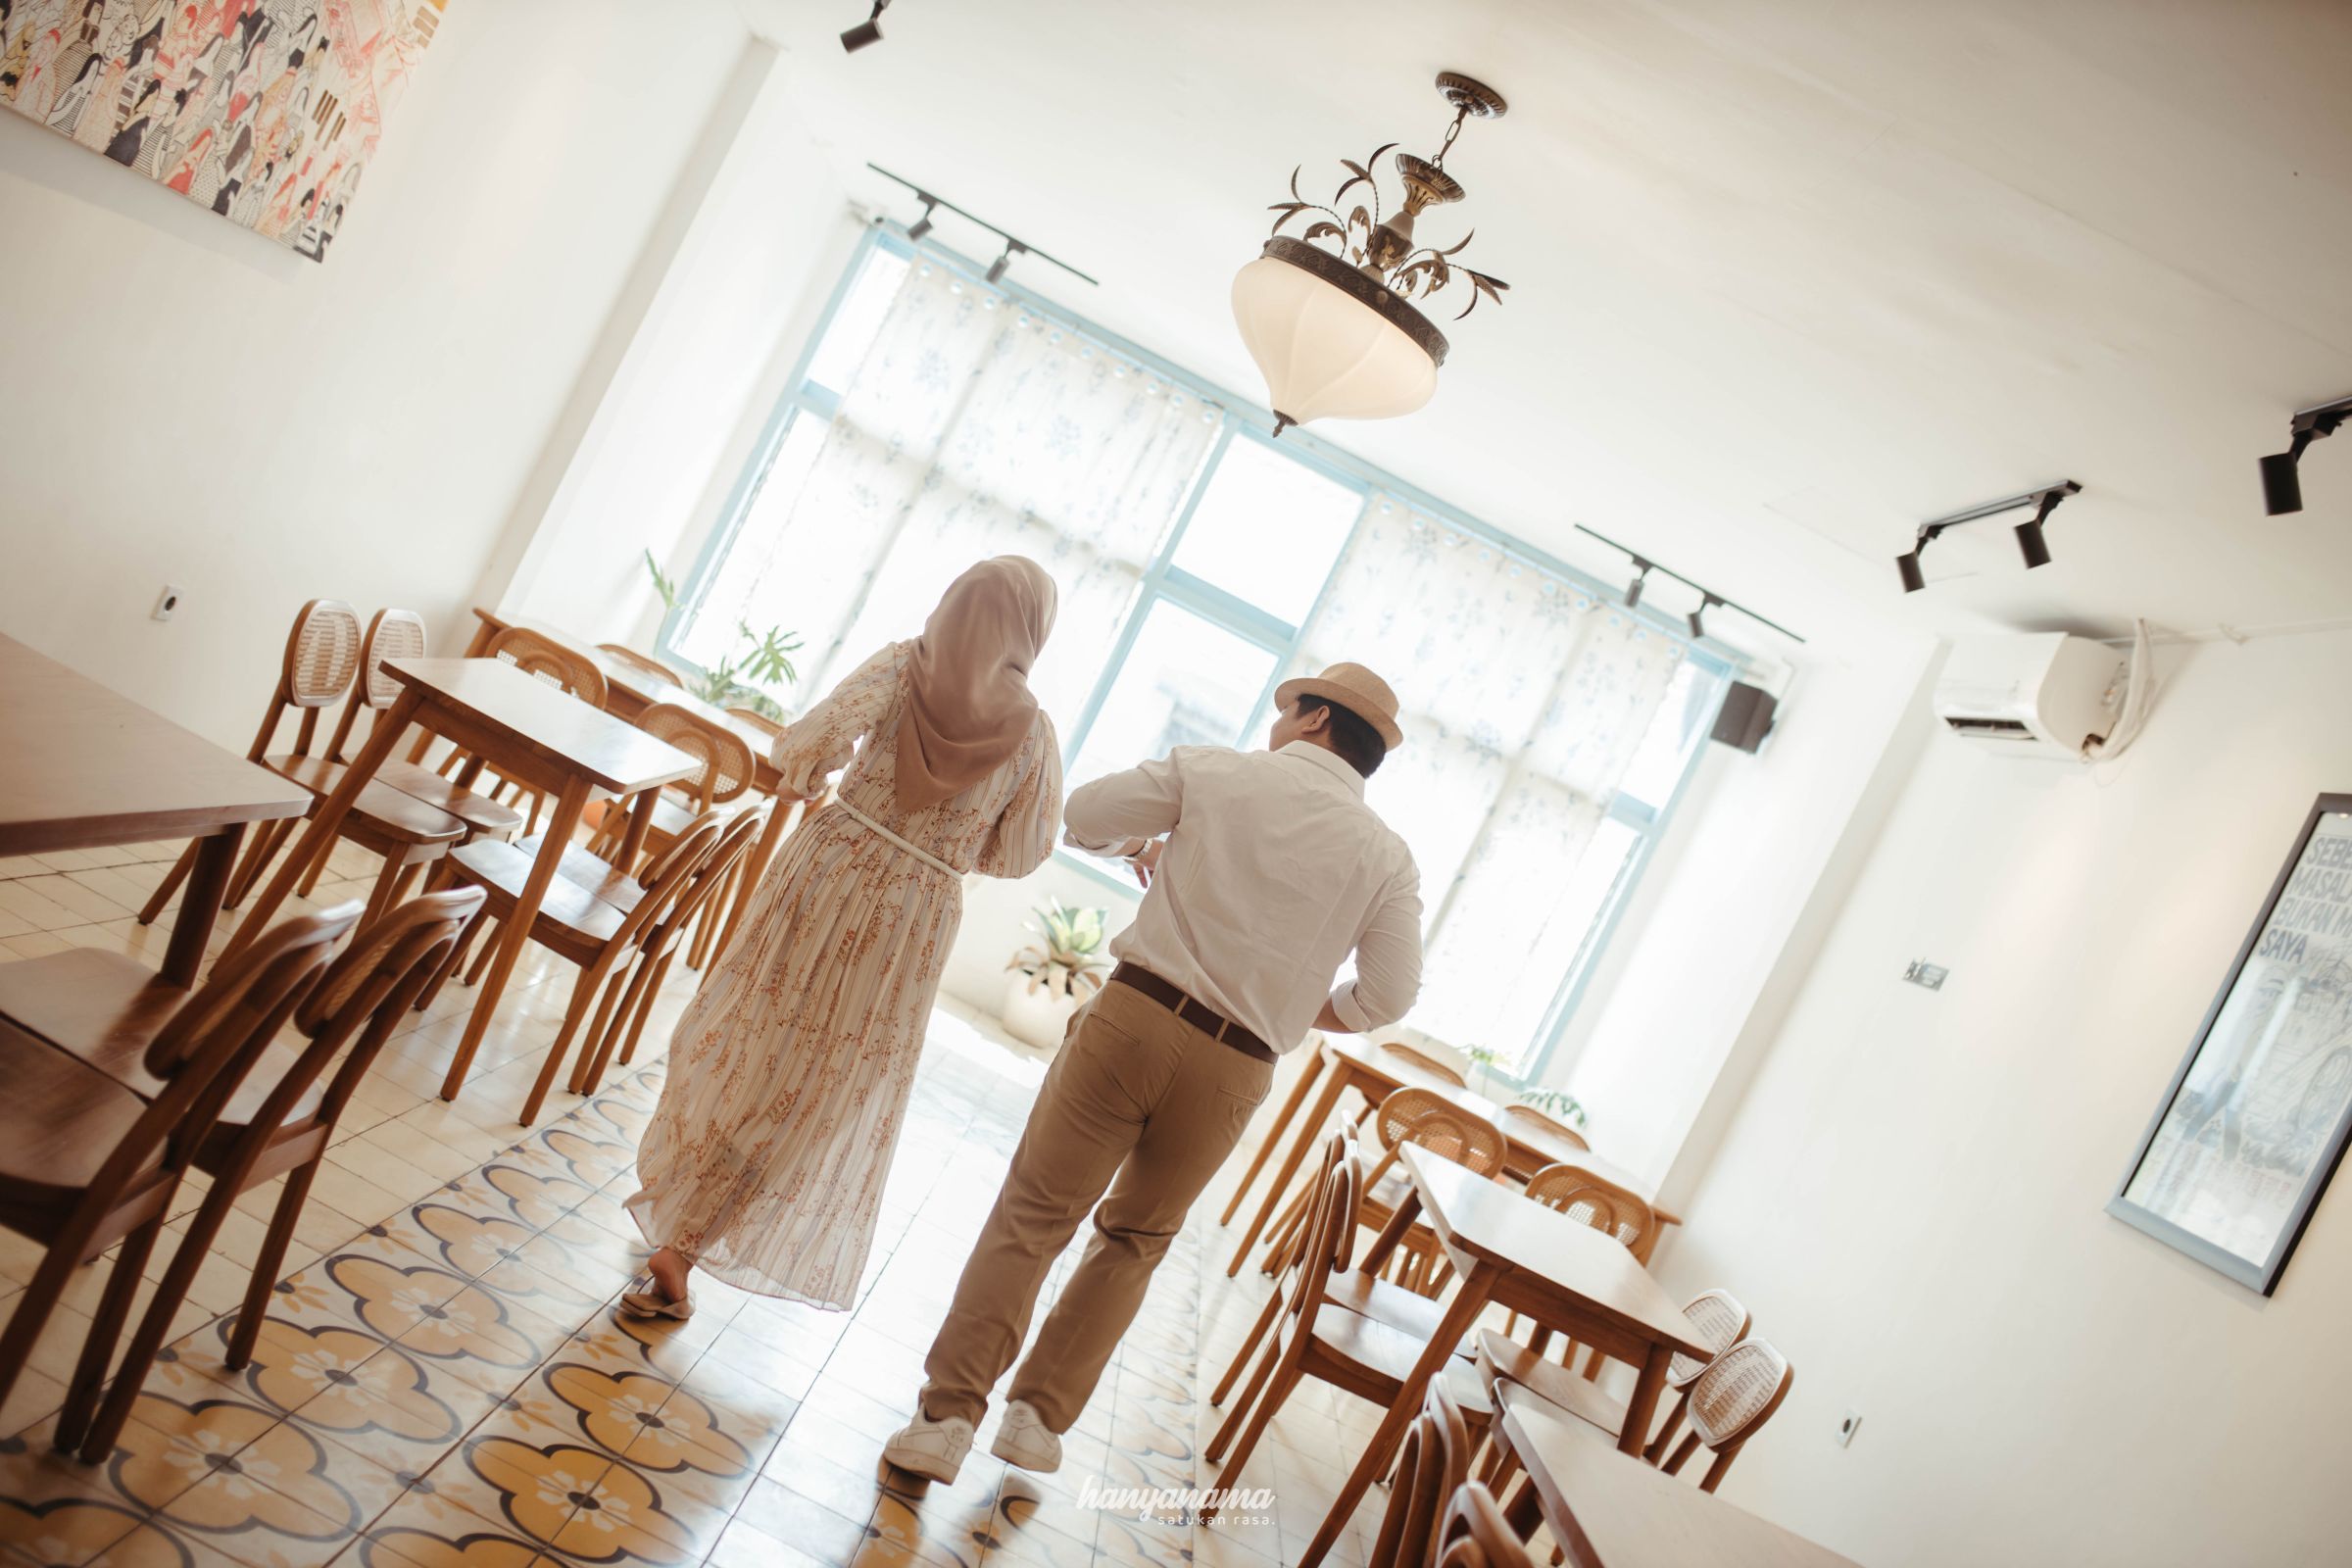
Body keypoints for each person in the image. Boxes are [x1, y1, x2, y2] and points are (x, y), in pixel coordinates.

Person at [885, 662, 1425, 1482]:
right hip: (1237, 1068)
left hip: (1135, 1019)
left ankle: (945, 1421)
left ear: (1316, 720)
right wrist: (1284, 1003)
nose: (1277, 722)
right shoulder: (1388, 857)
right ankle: (1036, 1421)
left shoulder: (1216, 771)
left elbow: (1083, 815)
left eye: (1289, 710)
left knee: (1034, 1215)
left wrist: (1144, 846)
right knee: (1134, 1242)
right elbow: (1387, 996)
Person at [622, 557, 1063, 1316]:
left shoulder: (902, 665)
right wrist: (951, 848)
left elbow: (807, 744)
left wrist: (824, 782)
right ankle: (687, 1244)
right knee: (823, 1084)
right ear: (1032, 631)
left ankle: (681, 1212)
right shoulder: (1034, 735)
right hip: (914, 912)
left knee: (751, 1035)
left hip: (830, 862)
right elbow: (1022, 851)